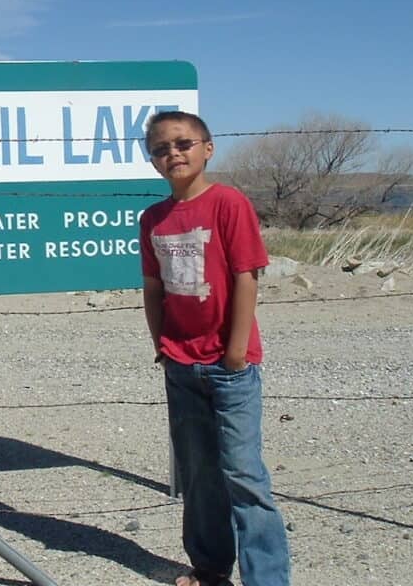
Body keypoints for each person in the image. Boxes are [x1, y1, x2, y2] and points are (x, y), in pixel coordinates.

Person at [139, 110, 290, 586]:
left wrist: (236, 352)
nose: (173, 154)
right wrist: (162, 345)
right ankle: (209, 567)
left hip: (228, 367)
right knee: (199, 474)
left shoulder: (228, 203)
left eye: (183, 144)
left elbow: (246, 277)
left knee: (243, 475)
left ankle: (266, 577)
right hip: (181, 364)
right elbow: (153, 287)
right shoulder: (154, 219)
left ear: (207, 148)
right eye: (161, 148)